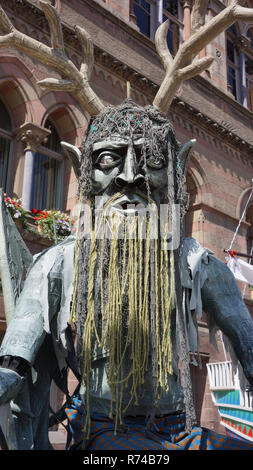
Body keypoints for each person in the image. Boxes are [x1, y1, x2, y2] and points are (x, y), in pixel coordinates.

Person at [0, 100, 253, 450]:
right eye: (108, 159)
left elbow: (246, 339)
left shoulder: (197, 263)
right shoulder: (60, 260)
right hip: (101, 425)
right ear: (82, 168)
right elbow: (16, 353)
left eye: (152, 161)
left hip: (179, 426)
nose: (130, 175)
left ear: (176, 172)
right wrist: (7, 375)